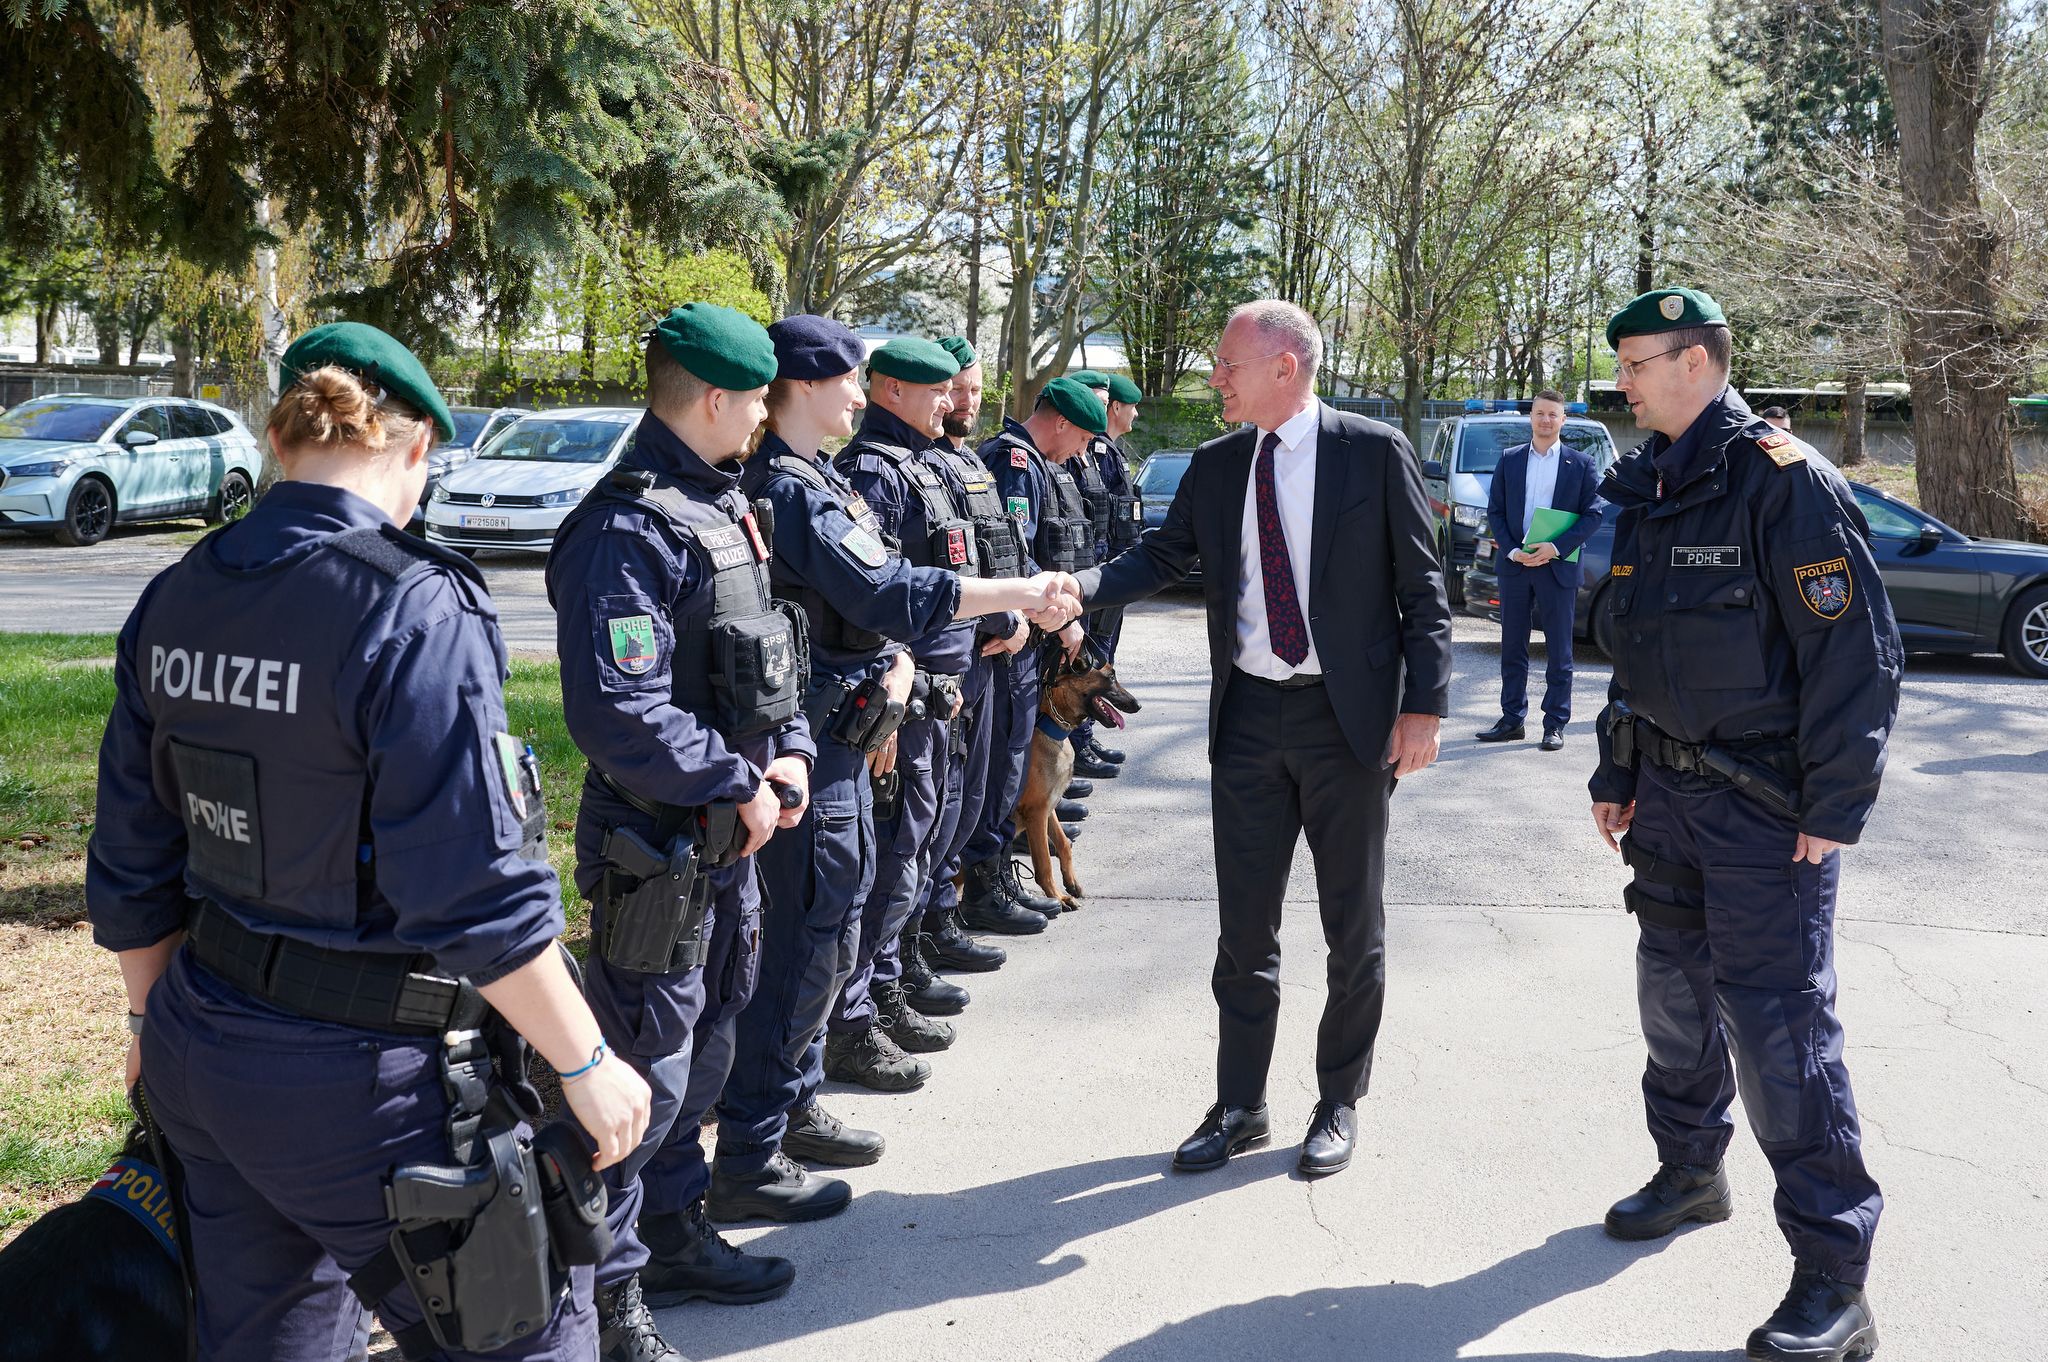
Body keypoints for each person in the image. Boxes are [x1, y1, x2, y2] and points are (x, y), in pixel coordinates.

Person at [86, 322, 651, 1362]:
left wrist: (145, 1026)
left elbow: (132, 853)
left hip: (203, 1045)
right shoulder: (413, 601)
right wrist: (588, 1059)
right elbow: (474, 887)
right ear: (417, 445)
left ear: (283, 438)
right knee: (525, 1339)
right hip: (368, 1082)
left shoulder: (180, 591)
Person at [1058, 298, 1451, 1179]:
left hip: (1347, 724)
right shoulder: (1219, 463)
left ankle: (1339, 1099)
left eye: (1227, 364)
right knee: (1243, 930)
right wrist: (1074, 587)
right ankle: (1240, 1104)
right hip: (1247, 721)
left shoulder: (1371, 451)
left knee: (1353, 926)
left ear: (1285, 366)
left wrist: (1423, 707)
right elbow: (1160, 557)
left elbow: (1422, 590)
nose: (1214, 379)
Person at [1591, 288, 1900, 1362]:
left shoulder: (1784, 482)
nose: (1621, 383)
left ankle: (1834, 1280)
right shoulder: (1651, 485)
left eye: (1635, 363)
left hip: (1765, 812)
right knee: (1672, 1000)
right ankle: (1689, 1171)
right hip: (1667, 802)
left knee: (1778, 1034)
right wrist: (1617, 767)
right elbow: (1634, 649)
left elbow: (1855, 657)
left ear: (1697, 361)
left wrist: (1834, 804)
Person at [712, 316, 1069, 1225]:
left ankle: (788, 1108)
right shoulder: (788, 488)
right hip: (811, 744)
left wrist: (897, 664)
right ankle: (751, 1145)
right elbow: (882, 590)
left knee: (835, 917)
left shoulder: (821, 479)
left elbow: (867, 608)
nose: (858, 394)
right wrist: (1017, 594)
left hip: (844, 730)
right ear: (803, 385)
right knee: (806, 933)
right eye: (847, 379)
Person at [546, 302, 811, 1356]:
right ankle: (603, 1300)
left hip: (725, 839)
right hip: (657, 848)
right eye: (753, 398)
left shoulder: (721, 504)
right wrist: (734, 778)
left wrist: (788, 752)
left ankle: (669, 1234)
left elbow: (770, 649)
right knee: (641, 1074)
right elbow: (619, 710)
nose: (763, 414)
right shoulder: (627, 529)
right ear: (710, 399)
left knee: (704, 1046)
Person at [823, 338, 992, 1088]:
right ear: (892, 390)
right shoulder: (873, 470)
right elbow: (874, 597)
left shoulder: (922, 462)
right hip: (904, 699)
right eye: (937, 391)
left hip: (939, 689)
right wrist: (887, 703)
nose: (951, 402)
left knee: (917, 849)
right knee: (889, 859)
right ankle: (854, 1016)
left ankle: (884, 985)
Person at [907, 335, 1027, 984]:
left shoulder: (964, 464)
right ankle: (919, 938)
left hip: (980, 654)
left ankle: (941, 917)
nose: (965, 400)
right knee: (931, 811)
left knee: (966, 799)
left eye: (975, 390)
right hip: (942, 663)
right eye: (956, 389)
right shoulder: (910, 468)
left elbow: (991, 552)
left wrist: (1017, 616)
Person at [969, 377, 1101, 930]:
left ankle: (997, 876)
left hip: (1030, 632)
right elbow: (1009, 555)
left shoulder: (1035, 464)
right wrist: (1055, 616)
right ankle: (984, 887)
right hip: (1009, 637)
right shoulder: (1014, 463)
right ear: (1062, 422)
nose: (1085, 452)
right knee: (999, 769)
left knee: (1010, 768)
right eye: (1084, 438)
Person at [1474, 388, 1606, 750]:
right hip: (1516, 566)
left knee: (1559, 650)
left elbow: (1593, 514)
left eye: (1552, 414)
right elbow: (1496, 511)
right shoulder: (1510, 459)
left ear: (1563, 419)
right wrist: (1514, 551)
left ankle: (1555, 724)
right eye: (1540, 413)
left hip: (1557, 566)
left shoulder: (1581, 464)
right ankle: (1512, 719)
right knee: (1512, 647)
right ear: (1530, 418)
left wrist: (1556, 547)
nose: (1546, 420)